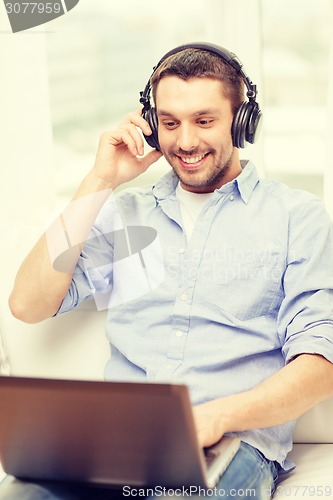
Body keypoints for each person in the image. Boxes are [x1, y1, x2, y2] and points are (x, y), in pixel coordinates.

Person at [4, 42, 333, 499]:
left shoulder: (297, 216)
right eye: (170, 122)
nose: (186, 141)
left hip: (231, 443)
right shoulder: (128, 214)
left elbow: (321, 365)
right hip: (116, 442)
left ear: (241, 122)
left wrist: (217, 416)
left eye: (204, 120)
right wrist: (100, 180)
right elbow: (27, 303)